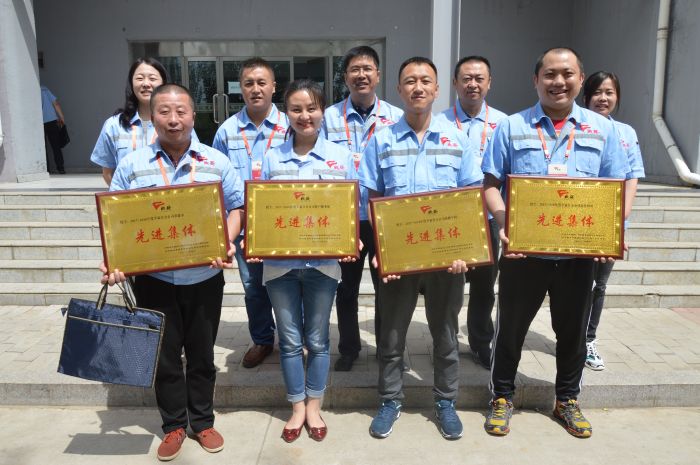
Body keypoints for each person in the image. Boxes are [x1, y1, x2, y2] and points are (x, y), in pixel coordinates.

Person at [481, 47, 629, 439]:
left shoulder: (603, 130)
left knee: (573, 333)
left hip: (578, 255)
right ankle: (502, 397)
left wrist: (613, 231)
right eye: (549, 74)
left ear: (580, 79)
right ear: (536, 80)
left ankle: (566, 400)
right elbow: (491, 184)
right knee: (510, 331)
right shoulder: (511, 127)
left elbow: (615, 187)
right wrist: (503, 222)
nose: (558, 81)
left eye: (567, 74)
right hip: (523, 252)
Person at [100, 84, 244, 461]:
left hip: (203, 277)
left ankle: (203, 422)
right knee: (164, 357)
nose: (174, 119)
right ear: (153, 117)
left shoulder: (216, 161)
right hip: (154, 280)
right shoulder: (132, 165)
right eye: (164, 111)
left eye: (181, 111)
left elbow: (237, 208)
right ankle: (174, 425)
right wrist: (114, 259)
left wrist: (226, 242)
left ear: (193, 115)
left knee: (202, 354)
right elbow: (115, 219)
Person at [359, 57, 483, 440]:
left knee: (445, 336)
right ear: (398, 89)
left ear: (437, 89)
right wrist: (381, 249)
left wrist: (466, 251)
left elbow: (471, 198)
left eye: (425, 81)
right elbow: (372, 199)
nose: (418, 87)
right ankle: (389, 400)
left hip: (447, 261)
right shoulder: (381, 140)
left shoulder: (457, 139)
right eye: (410, 81)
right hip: (399, 259)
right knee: (391, 336)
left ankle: (445, 401)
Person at [257, 79, 356, 443]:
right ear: (286, 113)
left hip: (322, 266)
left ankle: (315, 405)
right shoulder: (271, 158)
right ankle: (296, 406)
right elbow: (260, 210)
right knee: (288, 339)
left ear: (322, 111)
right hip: (280, 267)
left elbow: (351, 208)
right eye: (296, 109)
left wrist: (350, 239)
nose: (304, 116)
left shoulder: (341, 157)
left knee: (317, 339)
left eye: (311, 108)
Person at [322, 45, 403, 372]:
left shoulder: (396, 117)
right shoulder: (329, 117)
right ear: (345, 77)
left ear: (378, 75)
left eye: (367, 69)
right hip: (345, 218)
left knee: (387, 288)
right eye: (354, 69)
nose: (361, 75)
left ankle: (387, 348)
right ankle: (349, 348)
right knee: (346, 289)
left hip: (383, 217)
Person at [212, 58, 289, 369]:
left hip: (285, 226)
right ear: (240, 88)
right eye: (248, 83)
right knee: (254, 288)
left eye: (261, 83)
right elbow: (216, 180)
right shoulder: (227, 131)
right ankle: (262, 339)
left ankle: (292, 340)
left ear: (273, 87)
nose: (255, 89)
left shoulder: (291, 125)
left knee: (289, 285)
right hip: (244, 226)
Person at [438, 56, 508, 369]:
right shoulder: (438, 123)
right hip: (451, 219)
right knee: (449, 285)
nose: (473, 84)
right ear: (455, 83)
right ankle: (446, 341)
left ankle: (481, 342)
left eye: (479, 78)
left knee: (484, 286)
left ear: (489, 83)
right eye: (466, 78)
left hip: (489, 218)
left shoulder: (504, 124)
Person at [582, 71, 645, 371]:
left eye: (609, 92)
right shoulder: (576, 126)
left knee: (599, 284)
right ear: (586, 96)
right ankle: (569, 336)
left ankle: (587, 340)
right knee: (573, 284)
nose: (603, 98)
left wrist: (621, 218)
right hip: (575, 222)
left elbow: (632, 176)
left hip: (610, 223)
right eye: (597, 92)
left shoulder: (626, 133)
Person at [90, 58, 168, 186]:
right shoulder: (114, 125)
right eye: (139, 78)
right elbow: (108, 173)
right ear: (131, 84)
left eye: (152, 78)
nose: (146, 83)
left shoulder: (176, 123)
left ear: (163, 83)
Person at [41, 85, 66, 174]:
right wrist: (62, 117)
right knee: (56, 146)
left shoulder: (32, 90)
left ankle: (46, 169)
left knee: (43, 147)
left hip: (40, 123)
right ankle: (61, 168)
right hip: (52, 121)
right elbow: (56, 103)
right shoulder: (45, 89)